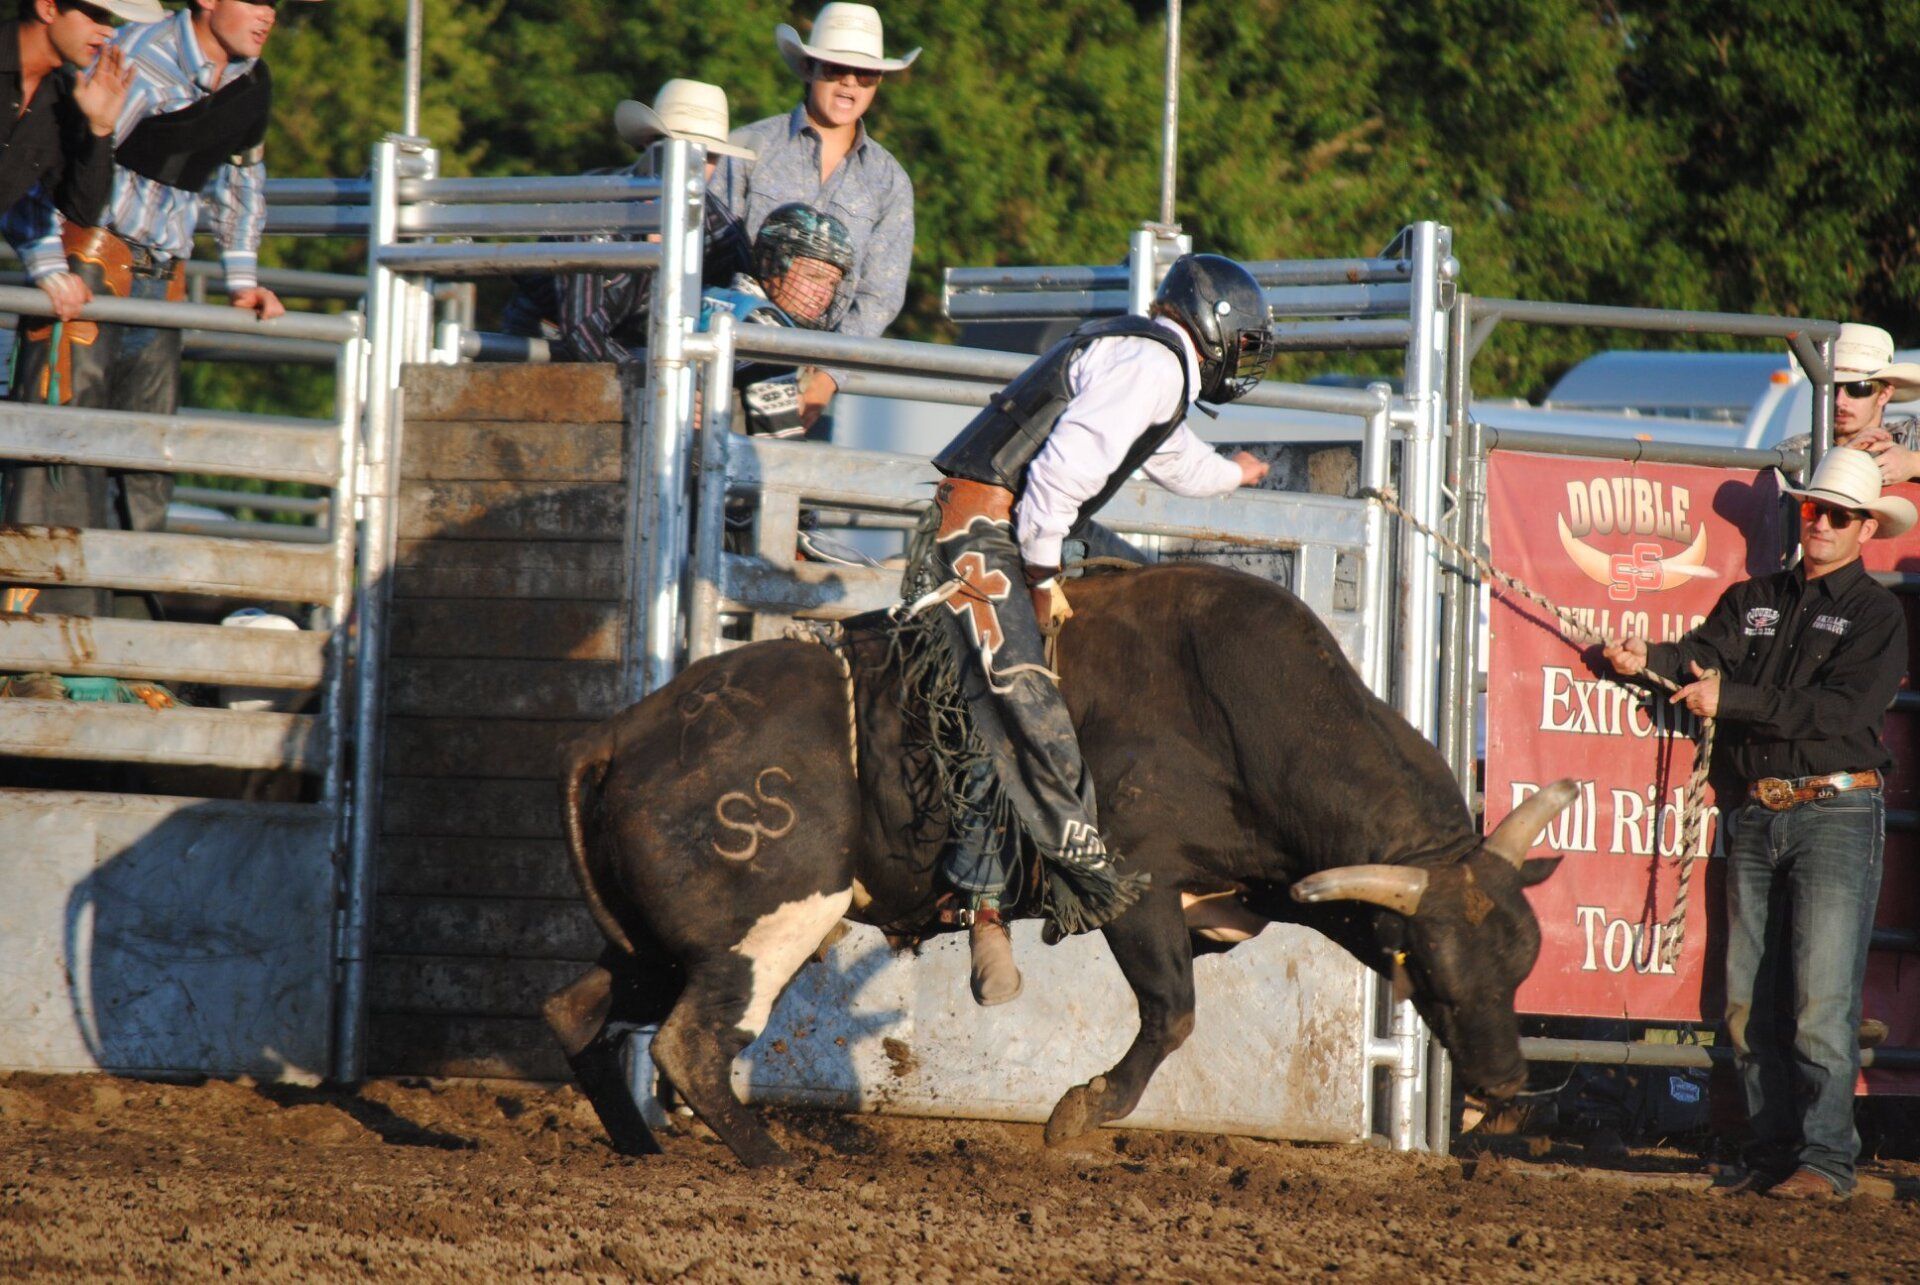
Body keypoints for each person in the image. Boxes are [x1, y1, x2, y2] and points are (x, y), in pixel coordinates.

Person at [911, 253, 1275, 1005]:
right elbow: (1054, 482)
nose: (1243, 359)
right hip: (981, 532)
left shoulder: (1153, 366)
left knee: (1155, 607)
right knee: (1025, 707)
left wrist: (1235, 473)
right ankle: (1009, 901)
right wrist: (1044, 584)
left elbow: (1177, 461)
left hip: (1017, 526)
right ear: (1214, 329)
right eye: (1244, 343)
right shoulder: (1153, 368)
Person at [1603, 447, 1911, 1201]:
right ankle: (1777, 1152)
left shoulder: (1877, 614)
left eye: (1839, 514)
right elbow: (1703, 658)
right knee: (1747, 1001)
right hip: (1757, 809)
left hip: (1833, 807)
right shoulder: (1754, 598)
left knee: (1816, 1001)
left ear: (1867, 526)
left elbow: (1842, 713)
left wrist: (1729, 700)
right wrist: (1652, 657)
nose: (1823, 524)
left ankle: (1827, 1159)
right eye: (1814, 509)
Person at [0, 0, 314, 636]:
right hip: (90, 265)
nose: (267, 16)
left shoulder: (247, 83)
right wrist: (47, 265)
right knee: (62, 452)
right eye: (254, 1)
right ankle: (34, 642)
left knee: (145, 467)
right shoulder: (129, 55)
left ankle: (123, 640)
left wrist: (242, 278)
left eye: (273, 5)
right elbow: (51, 160)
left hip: (161, 277)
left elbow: (242, 175)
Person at [713, 2, 917, 431]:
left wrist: (827, 377)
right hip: (725, 358)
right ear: (809, 69)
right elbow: (709, 252)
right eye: (835, 69)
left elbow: (881, 295)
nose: (849, 84)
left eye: (865, 75)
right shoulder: (748, 147)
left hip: (812, 377)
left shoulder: (889, 181)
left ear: (877, 83)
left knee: (791, 490)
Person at [539, 79, 757, 365]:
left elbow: (743, 294)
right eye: (677, 147)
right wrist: (653, 380)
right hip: (547, 352)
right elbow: (582, 332)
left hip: (640, 359)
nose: (692, 165)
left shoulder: (718, 226)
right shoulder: (597, 209)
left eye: (707, 155)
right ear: (647, 144)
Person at [1, 0, 155, 320]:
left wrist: (100, 130)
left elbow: (80, 211)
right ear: (47, 8)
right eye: (96, 15)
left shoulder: (63, 97)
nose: (108, 30)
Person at [701, 201, 855, 439]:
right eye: (814, 276)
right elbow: (783, 449)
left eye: (832, 284)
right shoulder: (764, 325)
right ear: (770, 264)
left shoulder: (727, 299)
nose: (823, 294)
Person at [1803, 324, 1920, 484]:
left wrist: (1913, 463)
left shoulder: (1913, 435)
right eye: (1831, 388)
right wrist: (1842, 461)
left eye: (1856, 388)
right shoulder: (1795, 453)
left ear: (1884, 395)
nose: (1839, 401)